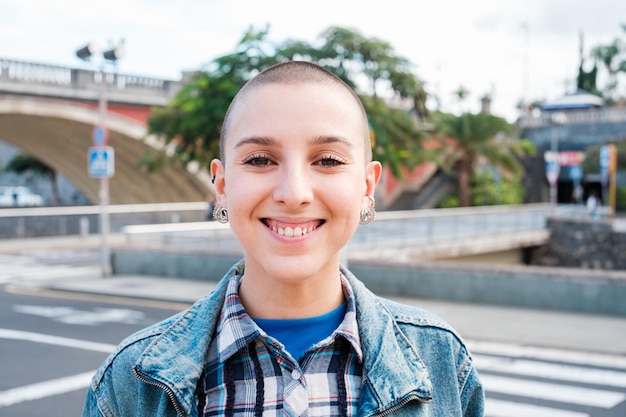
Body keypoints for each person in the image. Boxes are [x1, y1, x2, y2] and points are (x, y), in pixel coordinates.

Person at [82, 61, 484, 417]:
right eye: (260, 160)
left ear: (367, 186)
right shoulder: (129, 383)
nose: (294, 193)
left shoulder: (443, 361)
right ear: (221, 186)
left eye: (327, 161)